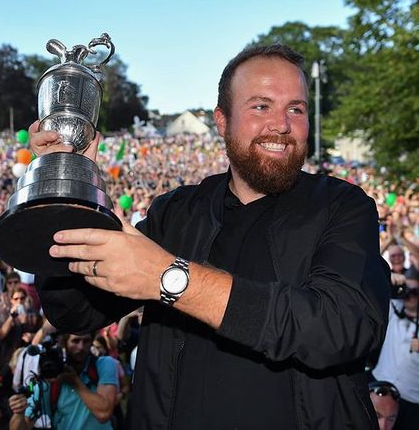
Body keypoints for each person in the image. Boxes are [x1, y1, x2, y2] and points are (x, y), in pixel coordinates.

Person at [32, 44, 390, 429]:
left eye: (296, 109)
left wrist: (169, 278)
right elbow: (73, 310)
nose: (282, 125)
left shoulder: (343, 207)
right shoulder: (175, 214)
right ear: (222, 120)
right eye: (261, 106)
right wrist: (69, 185)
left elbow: (340, 328)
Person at [8, 333, 119, 429]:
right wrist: (19, 412)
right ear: (65, 343)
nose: (81, 347)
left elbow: (104, 413)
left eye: (86, 341)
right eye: (75, 341)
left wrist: (74, 381)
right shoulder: (50, 378)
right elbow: (25, 425)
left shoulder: (104, 364)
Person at [372, 267, 419, 429]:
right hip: (379, 386)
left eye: (415, 291)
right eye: (407, 290)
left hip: (410, 399)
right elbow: (373, 283)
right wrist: (388, 277)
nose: (410, 295)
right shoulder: (393, 309)